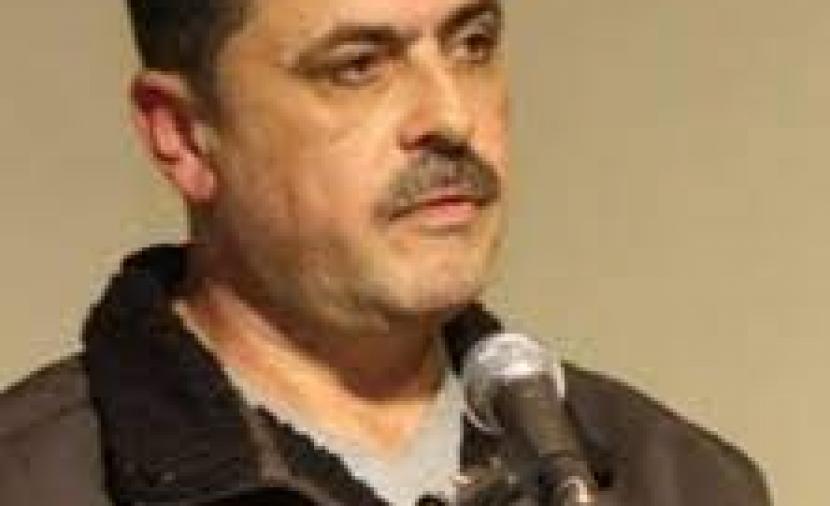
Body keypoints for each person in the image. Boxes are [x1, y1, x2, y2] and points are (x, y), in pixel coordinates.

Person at [0, 0, 771, 504]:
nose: (452, 117)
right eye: (358, 67)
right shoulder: (37, 480)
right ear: (182, 134)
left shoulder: (679, 480)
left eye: (473, 44)